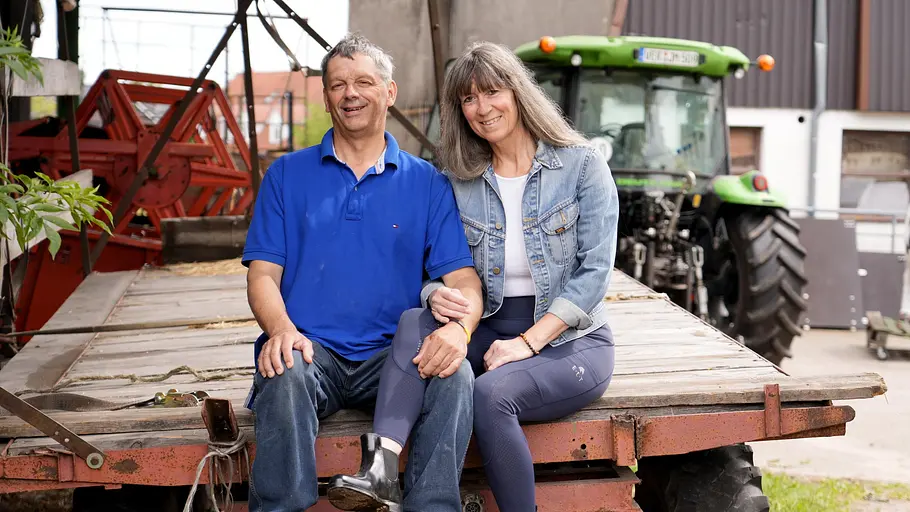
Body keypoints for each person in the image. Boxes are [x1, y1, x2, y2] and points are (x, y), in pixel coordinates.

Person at [329, 41, 619, 511]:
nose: (482, 109)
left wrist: (527, 344)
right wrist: (436, 295)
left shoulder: (581, 165)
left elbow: (594, 275)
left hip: (571, 341)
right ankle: (381, 471)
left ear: (519, 93)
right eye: (468, 99)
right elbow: (431, 269)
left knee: (491, 393)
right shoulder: (458, 178)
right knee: (413, 323)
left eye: (492, 92)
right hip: (489, 325)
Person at [243, 32, 484, 512]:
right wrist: (281, 329)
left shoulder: (428, 183)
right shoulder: (287, 176)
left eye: (364, 82)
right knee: (282, 369)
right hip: (312, 352)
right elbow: (262, 275)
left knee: (455, 376)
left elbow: (465, 283)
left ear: (388, 93)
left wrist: (461, 329)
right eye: (337, 85)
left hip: (394, 361)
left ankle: (431, 506)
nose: (350, 94)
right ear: (327, 97)